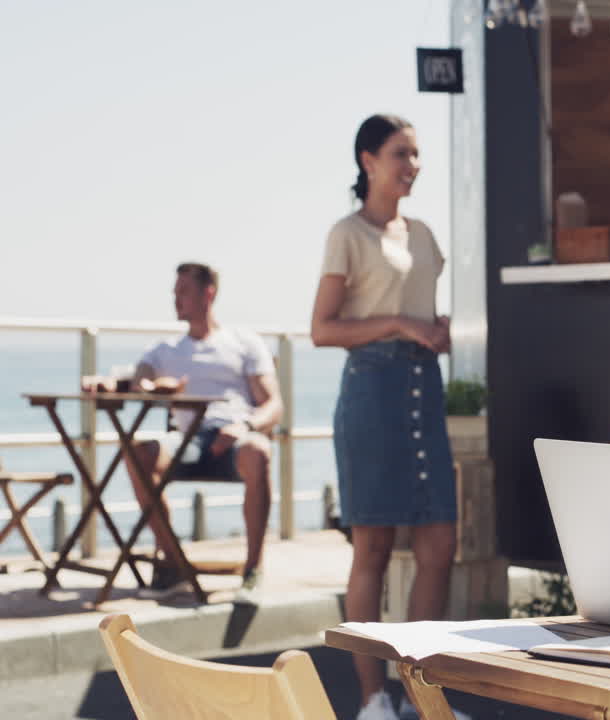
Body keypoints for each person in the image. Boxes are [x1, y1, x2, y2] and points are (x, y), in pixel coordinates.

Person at [310, 113, 457, 720]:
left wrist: (438, 331)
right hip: (371, 391)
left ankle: (421, 695)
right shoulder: (347, 232)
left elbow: (426, 311)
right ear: (368, 160)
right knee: (371, 546)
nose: (413, 165)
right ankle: (372, 699)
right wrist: (399, 323)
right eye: (401, 153)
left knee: (439, 543)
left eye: (417, 154)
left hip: (423, 386)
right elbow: (322, 329)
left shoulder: (422, 234)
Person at [100, 262, 282, 603]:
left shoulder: (243, 342)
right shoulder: (166, 349)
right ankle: (173, 563)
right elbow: (138, 378)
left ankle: (253, 569)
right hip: (185, 439)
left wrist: (245, 426)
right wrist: (151, 385)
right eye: (175, 292)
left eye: (183, 291)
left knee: (257, 451)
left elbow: (273, 405)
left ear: (207, 294)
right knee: (137, 452)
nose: (176, 298)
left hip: (234, 435)